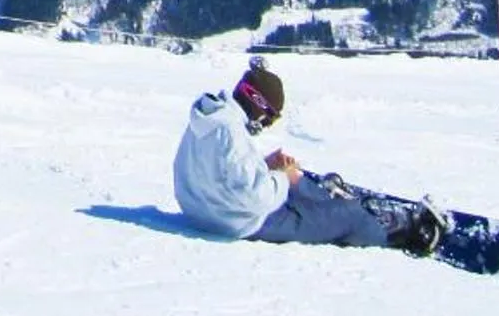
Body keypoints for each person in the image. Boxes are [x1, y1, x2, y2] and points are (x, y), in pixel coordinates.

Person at [172, 60, 442, 255]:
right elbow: (254, 199)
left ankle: (326, 197)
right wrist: (281, 177)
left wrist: (264, 167)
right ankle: (411, 233)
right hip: (239, 222)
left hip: (206, 211)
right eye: (269, 117)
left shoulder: (210, 117)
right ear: (258, 104)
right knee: (350, 216)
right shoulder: (230, 133)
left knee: (299, 185)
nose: (265, 125)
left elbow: (217, 170)